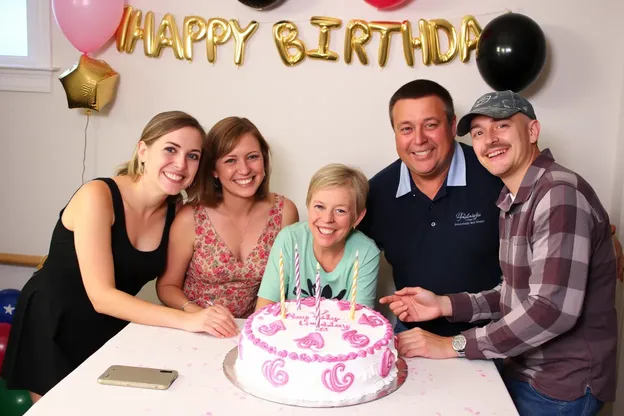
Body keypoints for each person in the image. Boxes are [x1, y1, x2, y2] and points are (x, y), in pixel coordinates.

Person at [380, 91, 617, 416]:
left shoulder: (558, 195)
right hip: (520, 369)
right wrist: (443, 304)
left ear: (532, 131)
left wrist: (454, 345)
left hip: (561, 384)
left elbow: (550, 310)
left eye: (502, 126)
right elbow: (513, 293)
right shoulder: (513, 198)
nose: (489, 140)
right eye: (479, 132)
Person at [1, 111, 236, 402]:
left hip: (109, 325)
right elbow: (101, 295)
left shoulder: (176, 214)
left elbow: (169, 285)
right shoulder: (97, 196)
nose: (180, 164)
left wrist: (200, 312)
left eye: (193, 156)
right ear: (143, 151)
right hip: (54, 322)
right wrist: (187, 320)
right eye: (171, 149)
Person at [358, 79, 504, 336]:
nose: (419, 140)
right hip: (414, 336)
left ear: (452, 125)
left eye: (431, 125)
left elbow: (528, 286)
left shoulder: (496, 177)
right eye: (406, 128)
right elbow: (346, 258)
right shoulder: (377, 193)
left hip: (491, 337)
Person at [157, 117, 298, 324]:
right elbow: (167, 287)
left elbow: (288, 286)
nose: (244, 169)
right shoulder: (190, 218)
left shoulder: (284, 212)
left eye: (252, 157)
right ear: (214, 169)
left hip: (255, 331)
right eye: (230, 160)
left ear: (264, 161)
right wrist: (197, 314)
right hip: (195, 327)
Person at [256, 163, 380, 310]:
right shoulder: (289, 239)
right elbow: (263, 310)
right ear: (308, 205)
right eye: (319, 207)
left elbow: (360, 321)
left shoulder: (366, 252)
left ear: (358, 217)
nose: (327, 219)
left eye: (340, 210)